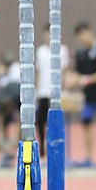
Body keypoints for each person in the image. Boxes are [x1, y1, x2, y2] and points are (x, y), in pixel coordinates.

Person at [66, 21, 96, 167]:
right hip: (87, 96)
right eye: (79, 36)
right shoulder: (80, 53)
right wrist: (71, 78)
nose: (82, 38)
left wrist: (88, 79)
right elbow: (77, 74)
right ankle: (88, 157)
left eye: (84, 34)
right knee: (86, 123)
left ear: (90, 32)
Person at [35, 23, 70, 158]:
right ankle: (43, 150)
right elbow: (38, 72)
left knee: (55, 123)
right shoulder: (40, 51)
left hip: (56, 93)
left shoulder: (63, 50)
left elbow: (65, 71)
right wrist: (36, 92)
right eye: (47, 33)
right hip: (43, 92)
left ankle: (56, 148)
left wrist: (64, 90)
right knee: (41, 121)